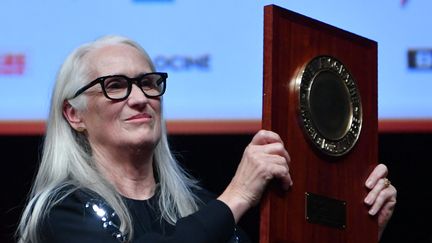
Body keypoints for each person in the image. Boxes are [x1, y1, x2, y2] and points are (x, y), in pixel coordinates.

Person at [17, 35, 396, 243]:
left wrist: (359, 234)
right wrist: (238, 195)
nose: (140, 98)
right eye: (115, 85)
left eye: (149, 83)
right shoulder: (60, 211)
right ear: (74, 114)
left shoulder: (197, 208)